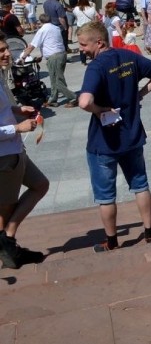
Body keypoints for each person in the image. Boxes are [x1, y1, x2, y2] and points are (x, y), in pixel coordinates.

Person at [77, 21, 151, 252]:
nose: (81, 49)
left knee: (106, 195)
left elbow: (84, 102)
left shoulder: (96, 67)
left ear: (98, 42)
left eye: (83, 44)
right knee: (140, 184)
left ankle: (111, 241)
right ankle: (149, 231)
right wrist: (140, 94)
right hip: (132, 135)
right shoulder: (129, 57)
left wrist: (99, 110)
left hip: (103, 142)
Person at [0, 34, 48, 268]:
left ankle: (8, 239)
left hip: (14, 151)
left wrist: (17, 109)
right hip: (4, 156)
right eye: (1, 50)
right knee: (5, 207)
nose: (7, 53)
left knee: (40, 184)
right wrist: (16, 127)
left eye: (6, 48)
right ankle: (8, 249)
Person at [19, 14, 78, 108]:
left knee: (58, 80)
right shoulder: (56, 28)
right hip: (61, 54)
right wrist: (42, 55)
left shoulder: (42, 30)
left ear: (40, 22)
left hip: (53, 57)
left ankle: (73, 97)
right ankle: (53, 99)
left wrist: (23, 57)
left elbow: (32, 45)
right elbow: (49, 42)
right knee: (55, 79)